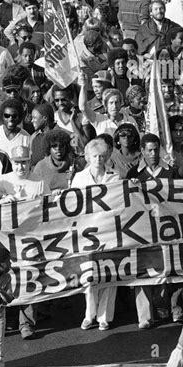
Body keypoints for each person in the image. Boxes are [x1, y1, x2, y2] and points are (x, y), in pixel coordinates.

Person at [71, 138, 119, 330]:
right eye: (94, 156)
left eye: (101, 156)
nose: (98, 159)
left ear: (107, 156)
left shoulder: (115, 176)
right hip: (87, 231)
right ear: (87, 157)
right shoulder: (79, 178)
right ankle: (89, 315)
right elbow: (71, 205)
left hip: (110, 230)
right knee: (90, 273)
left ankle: (104, 317)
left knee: (109, 272)